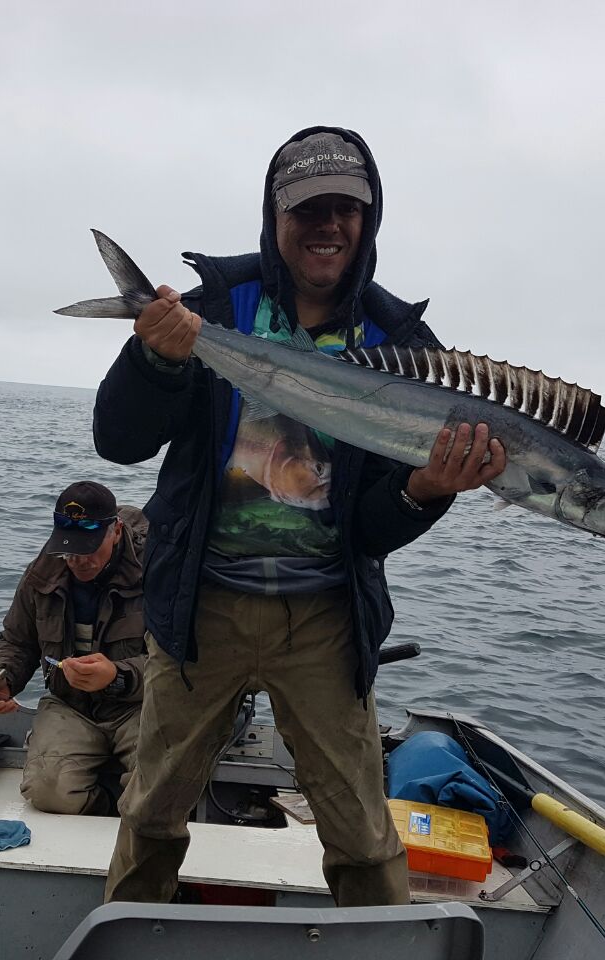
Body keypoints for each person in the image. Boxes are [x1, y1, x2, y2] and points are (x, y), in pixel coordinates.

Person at [92, 127, 507, 905]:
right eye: (307, 208)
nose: (328, 225)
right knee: (150, 812)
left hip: (324, 618)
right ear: (273, 218)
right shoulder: (214, 307)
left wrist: (426, 491)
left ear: (369, 218)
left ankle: (379, 949)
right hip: (199, 607)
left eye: (345, 208)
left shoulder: (406, 347)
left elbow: (372, 532)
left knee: (360, 831)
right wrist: (153, 356)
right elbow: (118, 443)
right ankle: (125, 932)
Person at [0, 481, 148, 816]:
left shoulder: (161, 570)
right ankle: (108, 811)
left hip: (143, 703)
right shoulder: (42, 574)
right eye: (69, 550)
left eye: (88, 549)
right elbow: (16, 640)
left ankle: (137, 822)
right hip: (71, 705)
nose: (77, 561)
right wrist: (1, 679)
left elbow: (181, 663)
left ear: (115, 531)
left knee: (158, 787)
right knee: (47, 792)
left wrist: (116, 676)